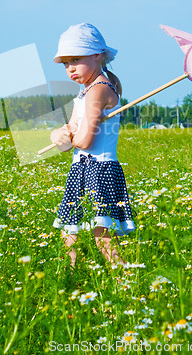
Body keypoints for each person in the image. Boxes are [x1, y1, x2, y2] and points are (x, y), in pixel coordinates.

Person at [50, 23, 135, 270]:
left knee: (102, 235)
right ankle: (70, 277)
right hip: (82, 169)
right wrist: (59, 135)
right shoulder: (85, 93)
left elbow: (84, 141)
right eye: (66, 63)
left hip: (100, 170)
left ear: (97, 55)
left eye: (76, 59)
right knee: (70, 231)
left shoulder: (99, 91)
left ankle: (124, 279)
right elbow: (70, 141)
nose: (70, 68)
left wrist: (68, 136)